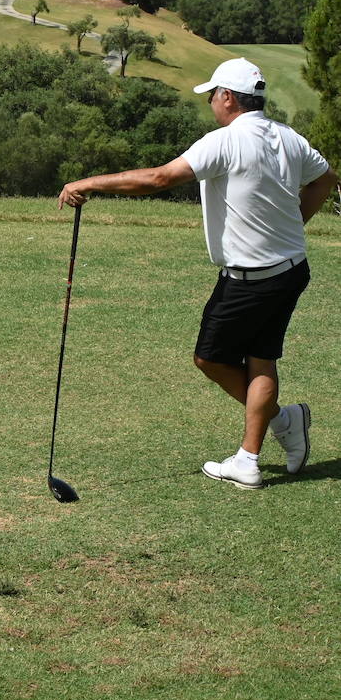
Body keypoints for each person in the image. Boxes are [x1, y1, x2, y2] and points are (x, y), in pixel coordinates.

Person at [59, 58, 336, 489]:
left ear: (228, 96)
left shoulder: (224, 141)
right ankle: (264, 441)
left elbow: (157, 179)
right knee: (262, 358)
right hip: (290, 270)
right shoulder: (287, 137)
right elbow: (325, 179)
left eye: (213, 94)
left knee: (210, 358)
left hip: (250, 279)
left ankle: (272, 430)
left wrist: (88, 183)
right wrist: (294, 223)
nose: (210, 102)